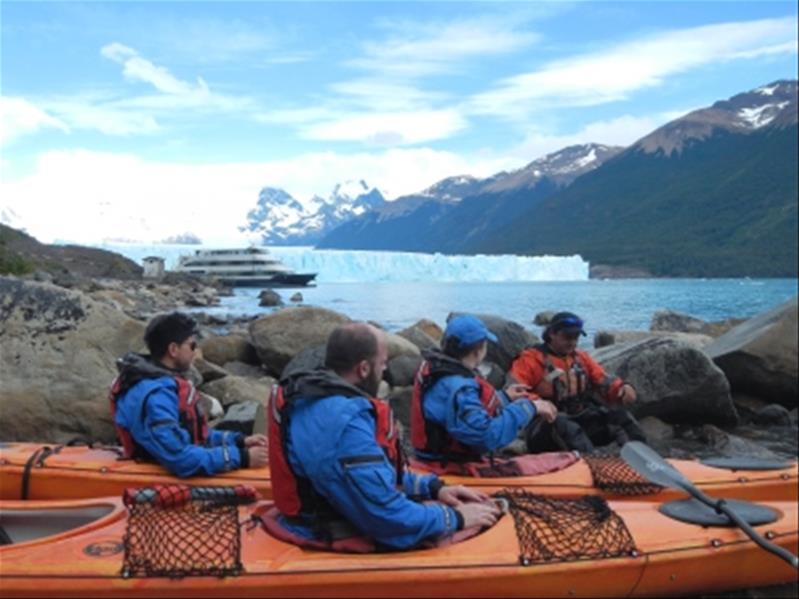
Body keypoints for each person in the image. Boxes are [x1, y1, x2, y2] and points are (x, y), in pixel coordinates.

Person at [269, 322, 501, 551]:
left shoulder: (313, 398)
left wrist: (433, 487)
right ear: (363, 369)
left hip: (323, 512)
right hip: (328, 529)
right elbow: (387, 517)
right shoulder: (345, 425)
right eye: (382, 363)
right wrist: (455, 517)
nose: (384, 370)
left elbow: (374, 477)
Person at [110, 311, 268, 477]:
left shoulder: (162, 384)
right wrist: (242, 457)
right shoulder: (157, 396)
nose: (195, 351)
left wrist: (239, 441)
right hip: (156, 473)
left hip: (171, 460)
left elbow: (195, 436)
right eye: (192, 345)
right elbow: (180, 459)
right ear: (173, 349)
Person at [411, 315, 558, 465]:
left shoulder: (437, 369)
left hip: (438, 457)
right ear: (478, 351)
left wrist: (503, 398)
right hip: (447, 464)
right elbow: (486, 437)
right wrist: (529, 407)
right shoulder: (458, 387)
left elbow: (452, 408)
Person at [508, 311, 646, 453]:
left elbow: (603, 380)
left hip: (580, 420)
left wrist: (622, 389)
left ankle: (644, 461)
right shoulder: (530, 359)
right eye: (567, 337)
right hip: (543, 428)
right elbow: (513, 392)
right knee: (565, 426)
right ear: (551, 334)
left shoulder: (580, 358)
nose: (573, 342)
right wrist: (537, 403)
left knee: (621, 417)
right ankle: (591, 465)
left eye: (576, 337)